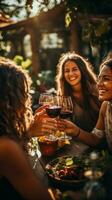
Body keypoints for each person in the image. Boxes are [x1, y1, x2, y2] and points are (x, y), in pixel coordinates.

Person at [0, 57, 52, 200]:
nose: (27, 100)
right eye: (24, 93)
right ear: (9, 99)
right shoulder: (6, 148)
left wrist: (28, 133)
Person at [60, 59, 112, 153]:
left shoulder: (97, 94)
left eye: (106, 79)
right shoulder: (106, 106)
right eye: (99, 78)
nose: (99, 84)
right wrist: (75, 131)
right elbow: (96, 139)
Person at [55, 51, 100, 131]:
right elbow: (65, 125)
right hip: (77, 141)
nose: (71, 74)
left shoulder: (97, 90)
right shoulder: (62, 96)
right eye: (67, 71)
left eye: (74, 69)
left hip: (101, 140)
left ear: (82, 70)